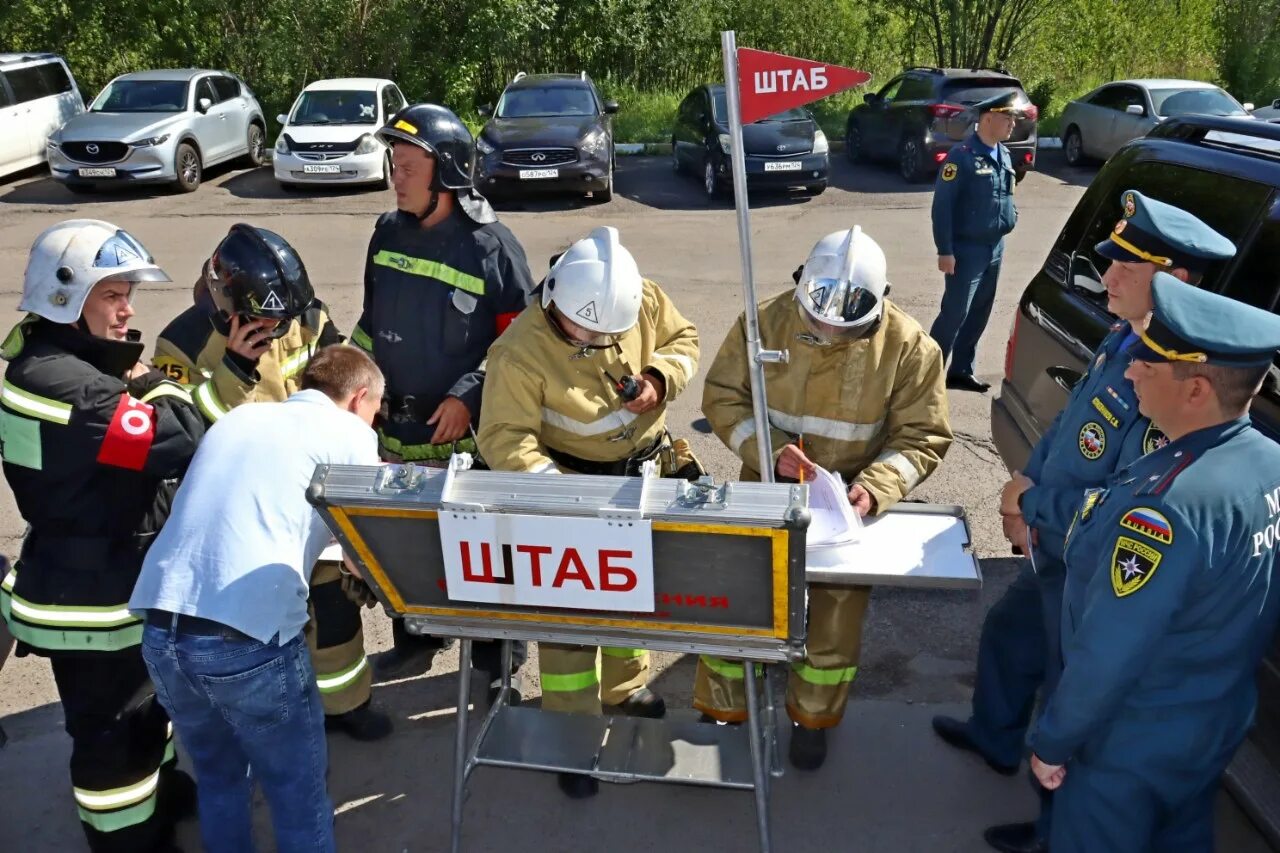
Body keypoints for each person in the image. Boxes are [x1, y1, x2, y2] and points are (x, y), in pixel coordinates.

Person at [929, 191, 1236, 853]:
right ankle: (994, 734)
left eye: (1128, 266)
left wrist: (1032, 508)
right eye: (1112, 262)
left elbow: (1123, 504)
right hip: (1049, 532)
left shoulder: (1169, 374)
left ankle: (1054, 826)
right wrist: (1023, 488)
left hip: (1085, 560)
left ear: (1178, 280)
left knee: (1075, 691)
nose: (1107, 277)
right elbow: (1070, 430)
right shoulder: (1126, 333)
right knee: (1011, 637)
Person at [1028, 275, 1280, 852]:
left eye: (1150, 362)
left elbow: (1111, 649)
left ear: (1195, 391)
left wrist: (1054, 741)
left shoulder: (1166, 505)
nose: (1132, 368)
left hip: (1129, 743)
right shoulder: (1268, 463)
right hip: (1210, 726)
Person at [693, 226, 952, 770]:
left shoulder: (909, 347)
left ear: (879, 304)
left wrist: (874, 488)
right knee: (737, 605)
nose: (828, 331)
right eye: (816, 321)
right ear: (801, 289)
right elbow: (723, 397)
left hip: (846, 511)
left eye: (844, 326)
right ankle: (723, 709)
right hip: (765, 491)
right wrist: (771, 452)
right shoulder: (766, 321)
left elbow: (922, 436)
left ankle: (810, 720)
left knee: (834, 623)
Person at [0, 220, 205, 852]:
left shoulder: (46, 361)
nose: (127, 311)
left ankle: (158, 790)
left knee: (145, 708)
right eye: (112, 295)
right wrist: (151, 379)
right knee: (111, 737)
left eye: (127, 295)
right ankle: (124, 838)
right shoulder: (74, 387)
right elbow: (180, 435)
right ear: (65, 296)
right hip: (93, 597)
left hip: (103, 571)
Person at [130, 345, 384, 853]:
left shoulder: (240, 417)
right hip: (247, 638)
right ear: (359, 398)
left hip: (163, 625)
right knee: (298, 793)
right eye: (375, 408)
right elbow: (366, 550)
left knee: (221, 779)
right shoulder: (353, 433)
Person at [478, 225, 702, 799]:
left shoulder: (638, 296)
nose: (602, 340)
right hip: (569, 492)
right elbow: (505, 440)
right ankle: (572, 737)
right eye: (588, 330)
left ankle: (624, 690)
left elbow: (684, 339)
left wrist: (658, 378)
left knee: (632, 594)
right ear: (555, 303)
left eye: (612, 333)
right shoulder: (518, 352)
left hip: (643, 480)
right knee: (570, 624)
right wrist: (560, 496)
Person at [152, 223, 389, 741]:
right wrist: (235, 368)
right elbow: (183, 433)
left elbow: (342, 382)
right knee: (262, 627)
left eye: (283, 319)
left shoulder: (305, 317)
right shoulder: (183, 342)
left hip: (312, 496)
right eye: (262, 319)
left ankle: (346, 703)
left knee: (336, 609)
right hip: (246, 508)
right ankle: (275, 721)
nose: (277, 330)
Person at [355, 103, 535, 689]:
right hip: (394, 430)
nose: (395, 177)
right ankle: (416, 635)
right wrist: (356, 384)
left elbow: (518, 351)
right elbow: (370, 322)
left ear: (448, 172)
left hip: (463, 435)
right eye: (393, 164)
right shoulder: (385, 234)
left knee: (481, 548)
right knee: (408, 544)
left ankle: (495, 655)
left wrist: (468, 396)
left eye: (407, 166)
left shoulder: (492, 249)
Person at [928, 91, 1024, 393]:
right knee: (954, 313)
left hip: (994, 247)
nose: (1012, 124)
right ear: (987, 118)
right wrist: (945, 250)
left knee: (979, 313)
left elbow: (1008, 194)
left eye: (1013, 119)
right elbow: (942, 206)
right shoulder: (962, 156)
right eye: (1006, 118)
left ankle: (961, 371)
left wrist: (1012, 216)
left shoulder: (1003, 154)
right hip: (966, 250)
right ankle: (926, 375)